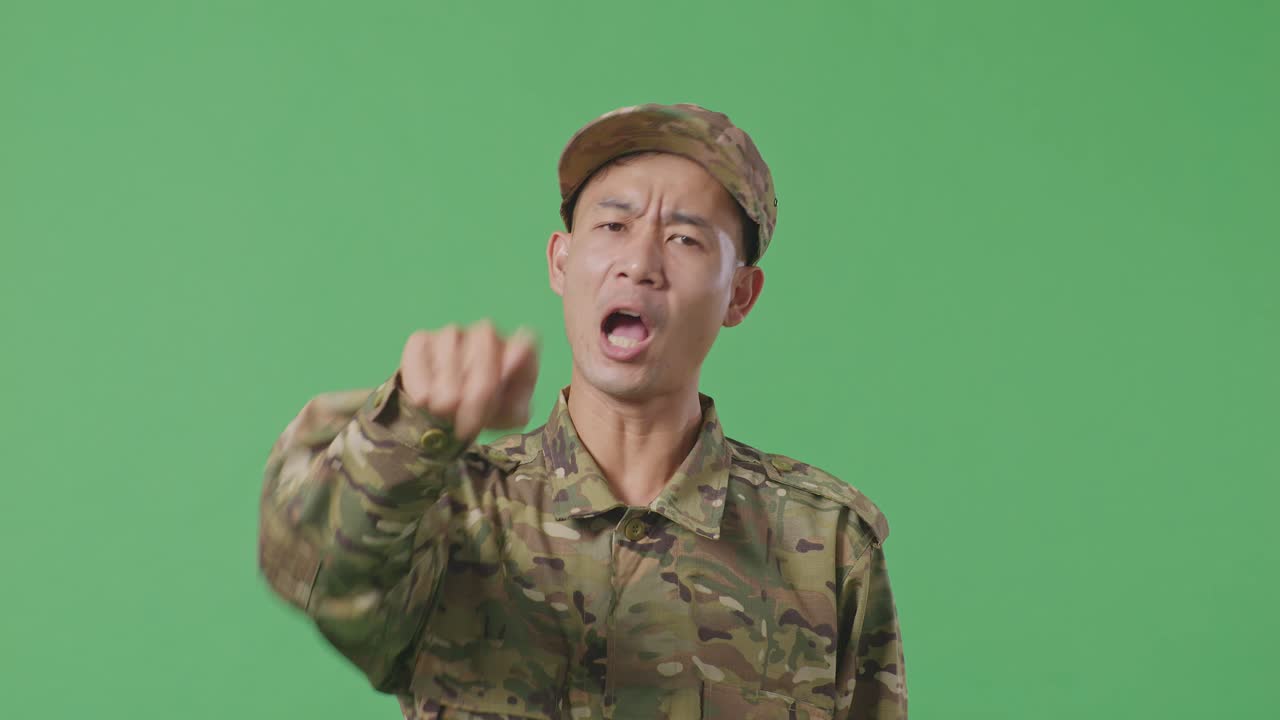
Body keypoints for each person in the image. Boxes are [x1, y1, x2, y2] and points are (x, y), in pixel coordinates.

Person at [257, 103, 907, 719]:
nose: (639, 263)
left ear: (740, 294)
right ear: (561, 262)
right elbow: (310, 567)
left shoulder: (825, 545)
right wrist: (412, 426)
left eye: (685, 238)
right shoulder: (449, 509)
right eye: (613, 226)